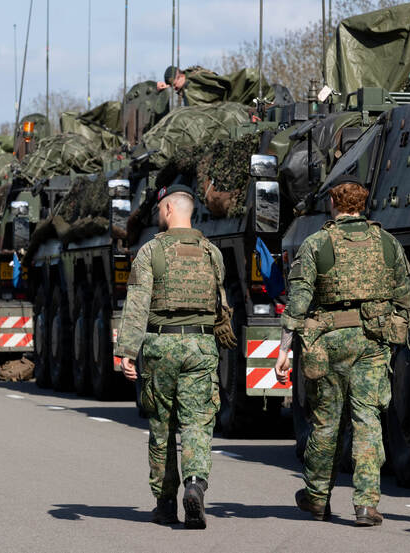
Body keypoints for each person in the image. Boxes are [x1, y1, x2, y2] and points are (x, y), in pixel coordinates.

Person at [274, 175, 410, 527]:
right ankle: (366, 504)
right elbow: (403, 297)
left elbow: (299, 301)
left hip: (330, 341)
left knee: (326, 421)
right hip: (373, 341)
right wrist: (394, 335)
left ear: (333, 205)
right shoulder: (387, 243)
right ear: (363, 206)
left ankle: (317, 498)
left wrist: (284, 350)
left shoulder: (318, 243)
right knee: (368, 421)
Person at [115, 184, 236, 529]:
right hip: (200, 346)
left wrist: (126, 351)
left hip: (160, 347)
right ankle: (195, 483)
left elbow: (137, 305)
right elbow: (219, 303)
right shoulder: (212, 253)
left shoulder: (150, 252)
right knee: (198, 422)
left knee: (162, 426)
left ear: (168, 209)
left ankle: (166, 503)